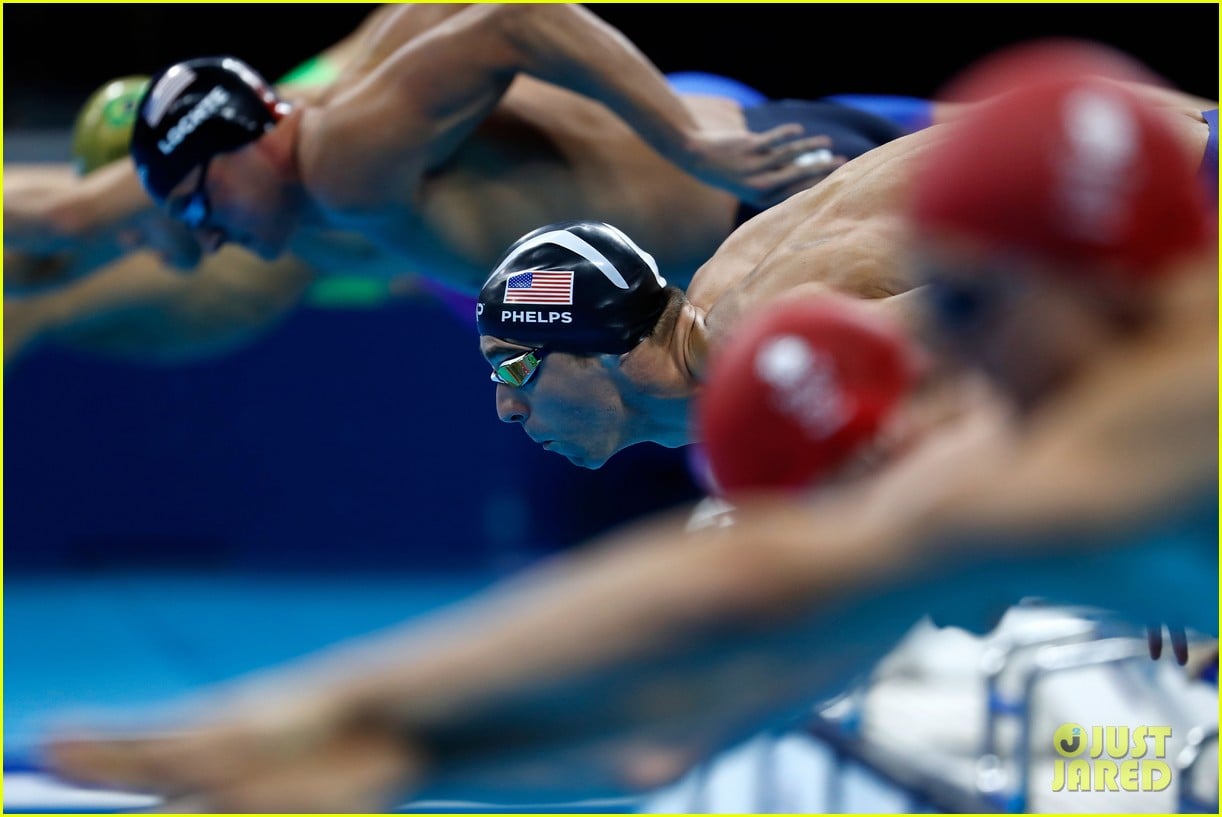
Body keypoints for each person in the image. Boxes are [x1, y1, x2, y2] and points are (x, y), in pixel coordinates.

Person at [40, 41, 1219, 812]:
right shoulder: (765, 355)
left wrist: (358, 716)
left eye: (514, 367)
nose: (503, 406)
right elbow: (700, 680)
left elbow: (783, 575)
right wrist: (392, 748)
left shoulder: (776, 331)